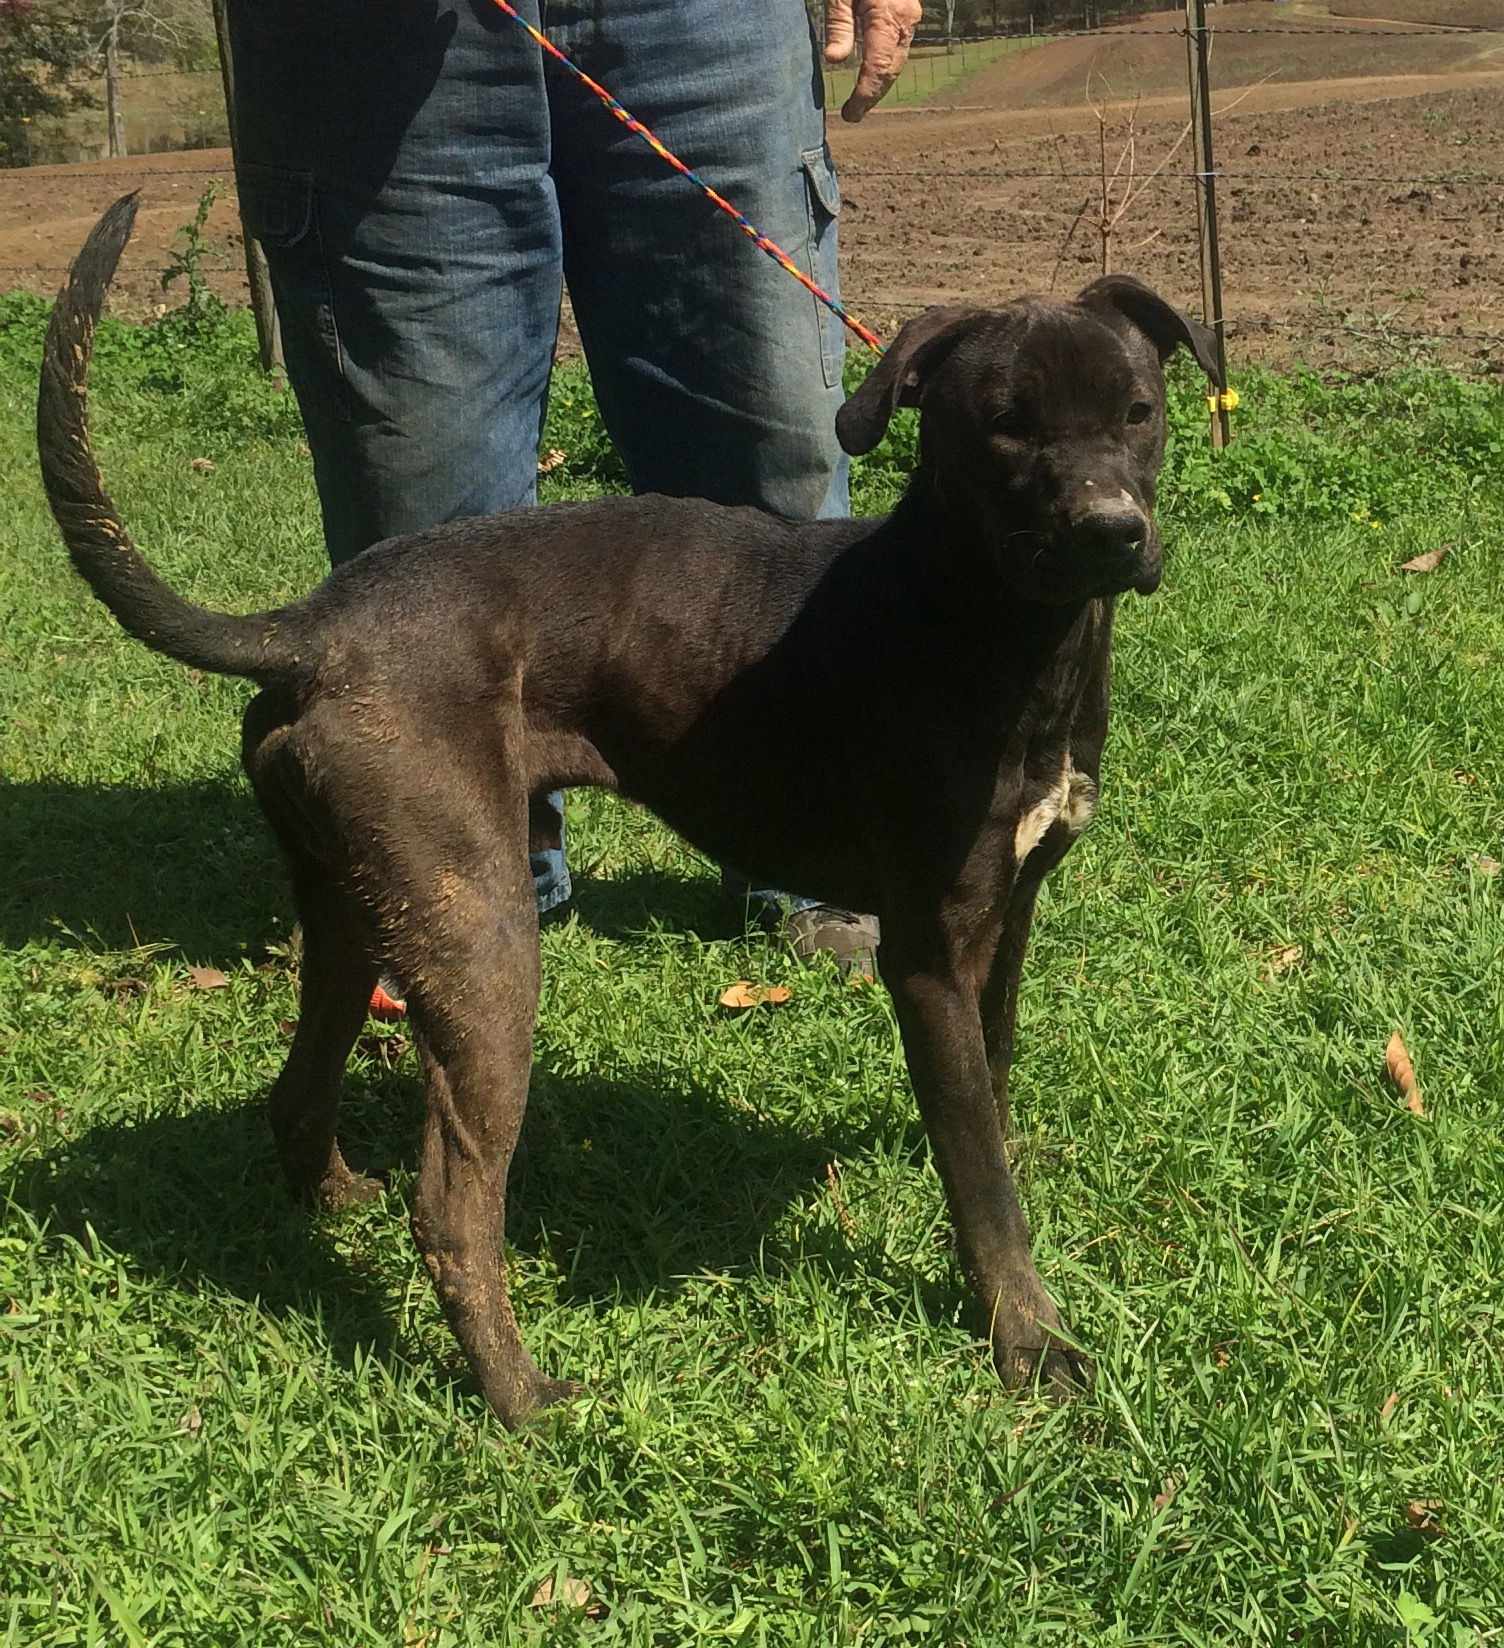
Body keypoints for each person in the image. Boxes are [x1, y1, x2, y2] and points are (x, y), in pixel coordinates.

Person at [224, 0, 920, 974]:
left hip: (704, 22)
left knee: (773, 459)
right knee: (420, 499)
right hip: (358, 47)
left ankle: (806, 849)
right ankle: (457, 866)